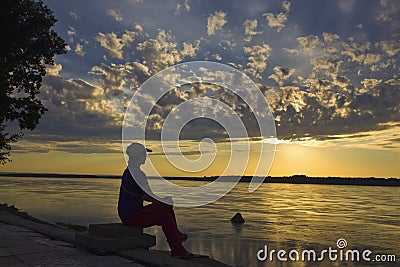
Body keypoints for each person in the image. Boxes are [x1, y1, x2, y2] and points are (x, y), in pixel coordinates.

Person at [118, 142, 192, 258]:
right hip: (132, 216)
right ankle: (178, 249)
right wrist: (164, 202)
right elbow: (148, 196)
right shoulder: (137, 174)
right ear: (138, 156)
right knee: (165, 213)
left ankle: (177, 239)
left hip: (128, 214)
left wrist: (163, 201)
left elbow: (146, 196)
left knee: (165, 209)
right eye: (144, 154)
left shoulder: (129, 171)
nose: (146, 157)